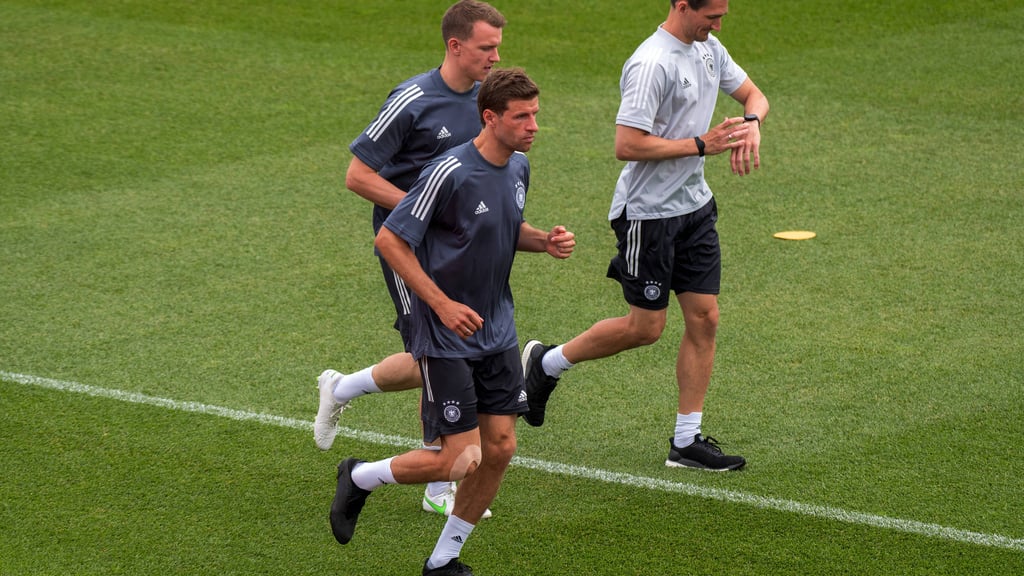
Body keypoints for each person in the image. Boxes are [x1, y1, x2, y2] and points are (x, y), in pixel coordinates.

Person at [330, 67, 575, 576]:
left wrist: (541, 241)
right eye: (522, 116)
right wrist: (440, 304)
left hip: (497, 330)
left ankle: (443, 561)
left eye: (536, 115)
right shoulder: (448, 171)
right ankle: (360, 477)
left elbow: (503, 229)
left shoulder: (519, 167)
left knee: (500, 449)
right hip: (445, 335)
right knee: (458, 461)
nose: (533, 125)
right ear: (490, 117)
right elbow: (390, 241)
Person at [521, 0, 769, 471]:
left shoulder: (708, 47)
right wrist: (701, 144)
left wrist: (753, 123)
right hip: (647, 217)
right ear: (681, 5)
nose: (718, 25)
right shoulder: (651, 63)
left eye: (721, 17)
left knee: (705, 318)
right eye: (711, 16)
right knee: (645, 329)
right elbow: (626, 144)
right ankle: (546, 364)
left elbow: (755, 95)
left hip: (695, 209)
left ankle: (686, 441)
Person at [315, 0, 506, 518]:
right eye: (487, 48)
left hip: (458, 246)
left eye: (498, 48)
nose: (495, 57)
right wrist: (427, 210)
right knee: (437, 352)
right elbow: (358, 176)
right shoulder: (414, 100)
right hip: (409, 244)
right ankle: (440, 477)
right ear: (456, 45)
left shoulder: (485, 103)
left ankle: (342, 386)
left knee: (443, 351)